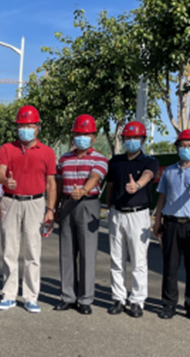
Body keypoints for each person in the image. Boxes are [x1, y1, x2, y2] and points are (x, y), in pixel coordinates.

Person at [0, 105, 57, 313]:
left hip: (35, 202)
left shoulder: (47, 152)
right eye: (22, 126)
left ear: (38, 127)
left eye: (30, 126)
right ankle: (9, 295)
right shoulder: (6, 149)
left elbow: (51, 183)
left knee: (33, 250)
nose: (25, 130)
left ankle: (30, 296)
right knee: (9, 250)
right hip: (10, 201)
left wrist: (50, 209)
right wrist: (5, 181)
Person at [153, 129, 190, 321]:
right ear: (177, 148)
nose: (186, 149)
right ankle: (169, 304)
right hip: (171, 223)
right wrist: (157, 221)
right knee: (170, 266)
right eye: (183, 145)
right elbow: (162, 197)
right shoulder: (169, 171)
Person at [53, 115, 108, 315]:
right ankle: (68, 296)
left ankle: (85, 299)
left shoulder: (100, 158)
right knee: (66, 252)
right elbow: (59, 183)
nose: (81, 137)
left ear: (93, 137)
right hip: (67, 204)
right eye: (77, 134)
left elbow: (95, 176)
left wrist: (83, 190)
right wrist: (55, 207)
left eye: (86, 134)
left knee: (87, 252)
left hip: (88, 204)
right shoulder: (64, 158)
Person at [105, 121, 159, 318]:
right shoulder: (115, 161)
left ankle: (137, 300)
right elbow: (110, 185)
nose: (131, 141)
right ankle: (118, 298)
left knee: (138, 260)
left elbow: (149, 175)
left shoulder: (149, 161)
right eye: (128, 137)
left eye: (136, 137)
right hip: (117, 213)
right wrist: (110, 207)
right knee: (116, 258)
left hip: (138, 214)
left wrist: (137, 185)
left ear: (143, 140)